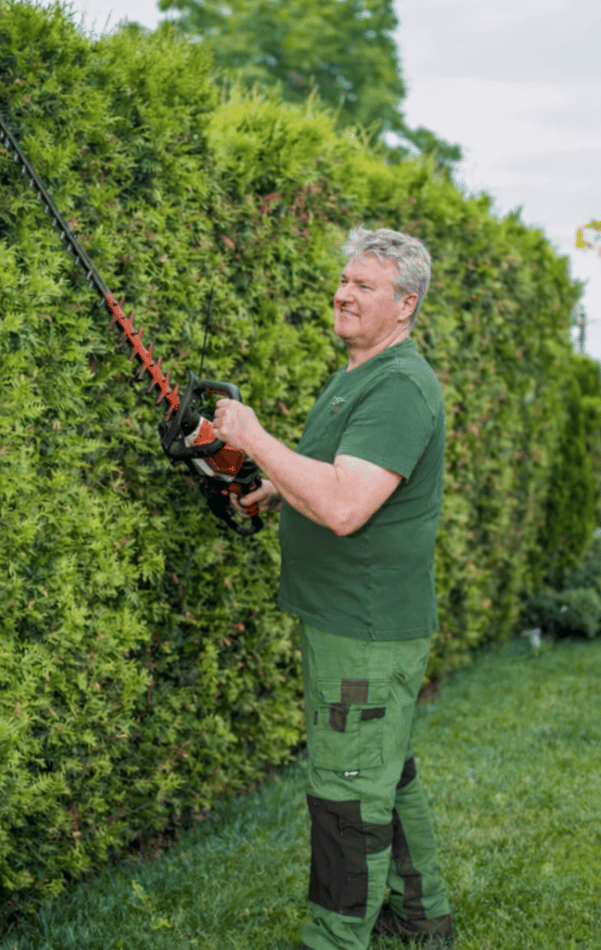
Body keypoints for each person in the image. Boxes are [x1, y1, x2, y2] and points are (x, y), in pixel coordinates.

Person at [212, 227, 454, 950]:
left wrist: (255, 437)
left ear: (406, 304)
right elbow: (339, 476)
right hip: (346, 621)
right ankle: (421, 917)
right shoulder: (360, 374)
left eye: (364, 286)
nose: (344, 294)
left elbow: (347, 507)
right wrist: (276, 490)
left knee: (347, 793)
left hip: (366, 630)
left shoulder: (400, 387)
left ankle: (335, 939)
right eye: (345, 280)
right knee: (384, 772)